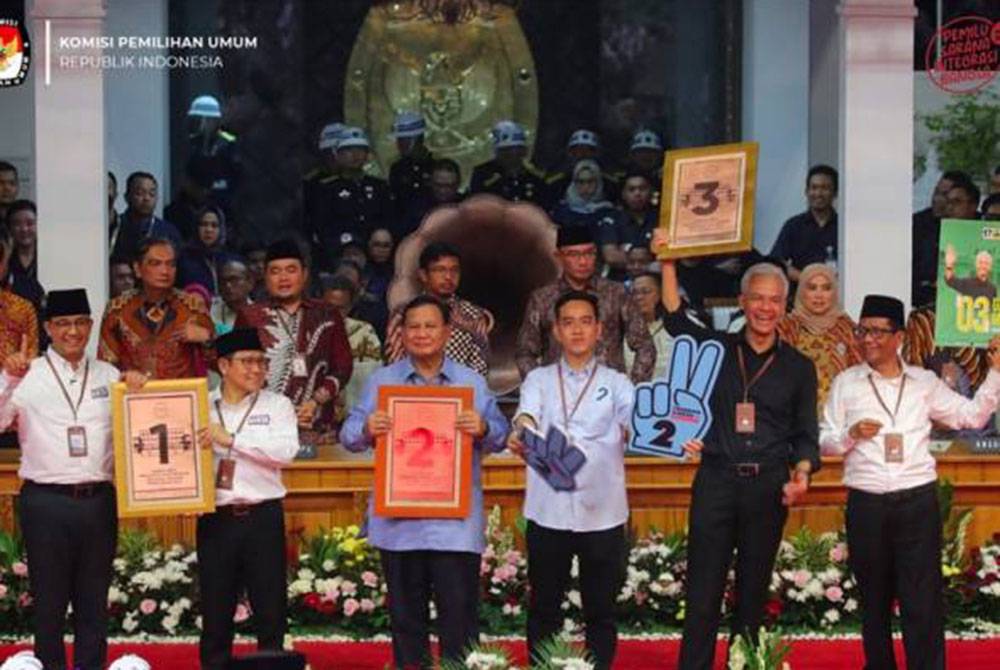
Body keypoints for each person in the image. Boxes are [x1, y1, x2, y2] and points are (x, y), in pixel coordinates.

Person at [656, 233, 819, 669]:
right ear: (742, 302)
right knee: (703, 593)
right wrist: (668, 261)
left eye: (775, 300)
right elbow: (674, 320)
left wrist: (801, 474)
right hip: (716, 480)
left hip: (768, 485)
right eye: (757, 299)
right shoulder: (718, 349)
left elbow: (806, 435)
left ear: (785, 306)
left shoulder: (799, 368)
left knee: (752, 595)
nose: (766, 308)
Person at [819, 295, 1000, 670]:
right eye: (862, 331)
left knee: (923, 600)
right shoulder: (846, 383)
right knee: (873, 600)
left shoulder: (923, 382)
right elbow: (826, 441)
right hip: (867, 502)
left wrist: (996, 373)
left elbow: (970, 417)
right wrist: (850, 434)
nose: (868, 339)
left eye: (878, 332)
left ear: (899, 336)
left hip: (916, 502)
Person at [339, 295, 508, 669]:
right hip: (400, 523)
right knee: (405, 621)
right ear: (402, 333)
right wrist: (367, 427)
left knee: (460, 620)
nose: (421, 334)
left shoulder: (472, 383)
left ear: (447, 332)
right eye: (413, 326)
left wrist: (482, 428)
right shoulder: (383, 381)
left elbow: (500, 434)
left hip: (455, 525)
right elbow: (348, 435)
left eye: (430, 325)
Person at [0, 289, 153, 670]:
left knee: (93, 603)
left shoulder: (110, 375)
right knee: (48, 605)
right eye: (64, 323)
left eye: (81, 322)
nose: (73, 331)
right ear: (49, 328)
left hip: (98, 500)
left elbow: (142, 428)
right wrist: (8, 378)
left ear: (90, 326)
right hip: (45, 502)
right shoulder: (27, 373)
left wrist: (140, 389)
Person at [506, 290, 633, 669]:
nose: (577, 330)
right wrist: (521, 430)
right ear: (556, 332)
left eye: (585, 321)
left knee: (601, 610)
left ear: (599, 330)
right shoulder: (539, 380)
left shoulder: (619, 383)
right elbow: (526, 415)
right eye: (568, 322)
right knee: (544, 605)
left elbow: (638, 427)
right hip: (550, 511)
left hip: (603, 512)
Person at [198, 328, 300, 670]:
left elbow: (284, 452)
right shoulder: (199, 406)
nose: (257, 369)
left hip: (263, 517)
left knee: (270, 608)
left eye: (261, 361)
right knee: (215, 610)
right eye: (247, 362)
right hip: (216, 518)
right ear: (223, 366)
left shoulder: (279, 405)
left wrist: (228, 439)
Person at [234, 239, 352, 443]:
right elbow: (236, 370)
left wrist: (314, 402)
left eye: (291, 270)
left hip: (316, 424)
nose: (283, 278)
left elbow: (342, 367)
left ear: (304, 274)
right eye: (275, 271)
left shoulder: (327, 314)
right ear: (265, 277)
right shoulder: (250, 316)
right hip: (264, 428)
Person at [516, 226, 655, 382]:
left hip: (609, 395)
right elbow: (525, 352)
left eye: (589, 253)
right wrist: (542, 389)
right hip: (558, 397)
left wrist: (633, 389)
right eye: (573, 255)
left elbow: (644, 345)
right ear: (558, 256)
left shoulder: (617, 293)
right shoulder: (542, 299)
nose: (583, 261)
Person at [99, 237, 215, 379]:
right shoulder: (117, 310)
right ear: (137, 269)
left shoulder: (192, 307)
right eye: (155, 264)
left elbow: (219, 363)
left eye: (171, 264)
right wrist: (124, 376)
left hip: (182, 395)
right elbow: (104, 368)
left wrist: (207, 339)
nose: (165, 271)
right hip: (134, 395)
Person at [385, 242, 492, 377]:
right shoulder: (403, 313)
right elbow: (394, 362)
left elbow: (481, 364)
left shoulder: (473, 314)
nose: (448, 277)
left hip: (460, 393)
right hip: (412, 392)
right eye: (440, 270)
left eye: (454, 270)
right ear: (423, 275)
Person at [776, 263, 862, 411]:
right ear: (801, 291)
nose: (819, 295)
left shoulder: (846, 328)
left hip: (839, 415)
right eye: (812, 288)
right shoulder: (786, 327)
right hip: (793, 415)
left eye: (826, 288)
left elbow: (860, 373)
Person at [314, 127, 393, 255]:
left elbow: (389, 219)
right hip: (342, 251)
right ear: (338, 155)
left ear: (367, 155)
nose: (355, 155)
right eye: (348, 150)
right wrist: (346, 243)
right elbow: (324, 228)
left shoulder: (380, 186)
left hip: (379, 250)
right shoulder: (328, 189)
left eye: (360, 150)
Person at [321, 275, 383, 425]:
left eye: (341, 308)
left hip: (354, 417)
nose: (334, 313)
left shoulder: (363, 332)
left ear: (350, 307)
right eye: (329, 307)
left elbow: (372, 378)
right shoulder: (307, 332)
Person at [770, 165, 839, 282]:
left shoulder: (844, 227)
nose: (818, 193)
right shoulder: (793, 225)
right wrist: (805, 279)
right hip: (799, 293)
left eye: (825, 188)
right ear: (806, 191)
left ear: (835, 193)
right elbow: (777, 262)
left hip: (838, 293)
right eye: (814, 188)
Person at [911, 170, 971, 307]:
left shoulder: (976, 226)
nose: (936, 199)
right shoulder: (919, 224)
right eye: (936, 192)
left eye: (944, 194)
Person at [596, 171, 659, 282]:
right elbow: (611, 257)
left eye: (642, 189)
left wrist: (627, 253)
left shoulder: (662, 218)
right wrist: (650, 262)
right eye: (631, 189)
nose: (637, 193)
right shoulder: (612, 219)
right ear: (623, 194)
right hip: (620, 281)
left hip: (656, 280)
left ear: (651, 192)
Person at [187, 94, 241, 221]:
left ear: (215, 120)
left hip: (223, 203)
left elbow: (237, 177)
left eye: (205, 120)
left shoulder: (228, 143)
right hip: (196, 204)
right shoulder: (193, 143)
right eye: (197, 120)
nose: (201, 124)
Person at [469, 120, 547, 205]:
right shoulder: (483, 174)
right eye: (505, 151)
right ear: (497, 152)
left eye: (515, 149)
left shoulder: (534, 178)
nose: (511, 155)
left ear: (524, 151)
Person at [110, 172, 182, 263]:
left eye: (152, 194)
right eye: (140, 193)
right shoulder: (116, 225)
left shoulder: (169, 231)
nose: (146, 198)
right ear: (127, 197)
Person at [544, 129, 619, 208]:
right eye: (578, 151)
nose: (583, 155)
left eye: (588, 150)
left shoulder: (610, 184)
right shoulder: (558, 183)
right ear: (570, 153)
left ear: (596, 153)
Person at [177, 205, 238, 295]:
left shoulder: (228, 259)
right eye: (204, 224)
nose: (209, 230)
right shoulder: (183, 259)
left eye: (214, 225)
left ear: (221, 229)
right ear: (196, 228)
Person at [388, 111, 436, 227]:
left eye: (403, 140)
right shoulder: (397, 169)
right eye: (398, 140)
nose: (399, 145)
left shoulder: (435, 167)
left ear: (418, 139)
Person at [625, 272, 673, 380]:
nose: (639, 297)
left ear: (661, 293)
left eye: (646, 292)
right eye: (634, 293)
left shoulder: (681, 325)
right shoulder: (623, 329)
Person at [400, 158, 465, 236]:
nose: (443, 191)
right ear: (430, 183)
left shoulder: (467, 206)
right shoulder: (416, 206)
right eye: (438, 185)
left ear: (458, 184)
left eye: (449, 186)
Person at [549, 159, 615, 232]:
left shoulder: (609, 213)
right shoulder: (559, 213)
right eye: (580, 182)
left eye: (590, 181)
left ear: (599, 183)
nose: (586, 187)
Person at [4, 199, 44, 312]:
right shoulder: (4, 260)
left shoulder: (48, 255)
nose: (24, 229)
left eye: (30, 223)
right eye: (17, 224)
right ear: (9, 228)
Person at [164, 157, 216, 242]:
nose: (204, 192)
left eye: (207, 187)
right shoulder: (173, 213)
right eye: (199, 186)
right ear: (187, 181)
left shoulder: (217, 210)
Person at [211, 260, 254, 335]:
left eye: (234, 280)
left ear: (250, 283)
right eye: (223, 281)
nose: (228, 285)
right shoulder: (210, 310)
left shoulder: (261, 314)